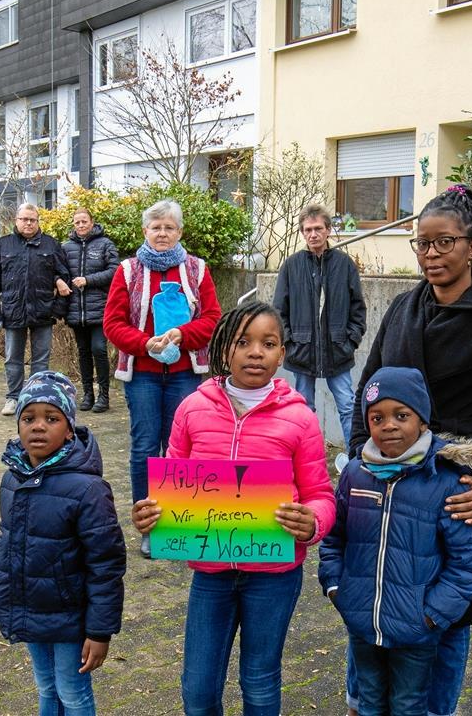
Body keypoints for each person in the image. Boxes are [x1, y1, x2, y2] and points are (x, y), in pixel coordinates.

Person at [348, 184, 472, 716]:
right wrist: (362, 457)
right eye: (422, 245)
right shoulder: (404, 308)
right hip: (388, 486)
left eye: (443, 244)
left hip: (455, 488)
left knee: (449, 615)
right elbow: (367, 390)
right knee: (376, 596)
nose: (430, 256)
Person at [131, 302, 335, 715]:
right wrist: (151, 517)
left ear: (282, 354)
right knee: (198, 688)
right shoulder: (192, 408)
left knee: (260, 682)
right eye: (243, 342)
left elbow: (321, 493)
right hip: (211, 574)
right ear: (225, 350)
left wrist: (313, 522)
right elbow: (171, 486)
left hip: (274, 575)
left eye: (268, 343)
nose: (255, 352)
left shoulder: (301, 418)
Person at [321, 366, 472, 716]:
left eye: (402, 415)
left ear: (423, 421)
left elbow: (468, 563)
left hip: (417, 632)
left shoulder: (446, 481)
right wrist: (337, 588)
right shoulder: (355, 473)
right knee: (368, 702)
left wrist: (431, 615)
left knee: (407, 705)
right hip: (363, 624)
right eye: (377, 417)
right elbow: (335, 538)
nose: (389, 425)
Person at [0, 371, 126, 716]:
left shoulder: (88, 489)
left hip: (70, 616)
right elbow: (7, 532)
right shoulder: (13, 477)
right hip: (29, 604)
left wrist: (99, 630)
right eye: (28, 418)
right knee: (46, 686)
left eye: (52, 418)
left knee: (72, 692)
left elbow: (106, 565)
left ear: (68, 429)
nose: (38, 426)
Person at [103, 199, 222, 558]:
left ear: (180, 232)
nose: (162, 233)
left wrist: (183, 335)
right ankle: (150, 526)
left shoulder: (197, 269)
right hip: (143, 375)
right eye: (156, 227)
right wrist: (145, 343)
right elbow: (112, 323)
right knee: (144, 448)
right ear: (145, 231)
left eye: (169, 227)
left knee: (181, 450)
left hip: (186, 374)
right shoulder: (127, 271)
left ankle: (179, 521)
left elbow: (213, 318)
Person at [273, 204, 366, 456]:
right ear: (302, 233)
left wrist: (350, 341)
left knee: (348, 407)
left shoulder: (345, 265)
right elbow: (279, 310)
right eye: (307, 230)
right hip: (301, 352)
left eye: (317, 229)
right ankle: (308, 459)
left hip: (338, 351)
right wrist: (290, 343)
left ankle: (355, 460)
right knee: (303, 410)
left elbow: (358, 308)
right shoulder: (291, 266)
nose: (312, 234)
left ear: (327, 231)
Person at [0, 203, 72, 417]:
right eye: (24, 219)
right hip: (12, 312)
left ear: (38, 221)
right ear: (16, 220)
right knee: (12, 358)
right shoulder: (2, 245)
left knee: (41, 359)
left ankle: (35, 396)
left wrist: (57, 311)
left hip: (43, 312)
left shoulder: (51, 245)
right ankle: (13, 397)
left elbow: (65, 277)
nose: (28, 223)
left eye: (32, 219)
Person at [62, 208, 119, 413]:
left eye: (84, 221)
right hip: (76, 310)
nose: (80, 225)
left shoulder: (105, 244)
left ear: (92, 222)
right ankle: (88, 394)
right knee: (83, 352)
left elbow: (115, 271)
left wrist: (88, 280)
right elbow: (58, 271)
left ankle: (104, 395)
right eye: (77, 222)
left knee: (99, 349)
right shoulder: (66, 247)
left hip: (100, 309)